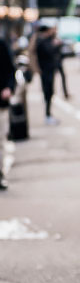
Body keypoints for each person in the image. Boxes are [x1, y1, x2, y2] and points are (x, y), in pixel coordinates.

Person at [35, 25, 61, 124]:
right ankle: (47, 115)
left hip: (48, 70)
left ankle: (48, 114)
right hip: (46, 70)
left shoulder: (44, 40)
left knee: (49, 92)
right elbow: (49, 52)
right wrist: (55, 45)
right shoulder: (42, 41)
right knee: (48, 92)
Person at [0, 36, 16, 190]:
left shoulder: (1, 44)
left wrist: (8, 88)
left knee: (0, 140)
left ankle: (0, 175)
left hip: (0, 102)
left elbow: (10, 69)